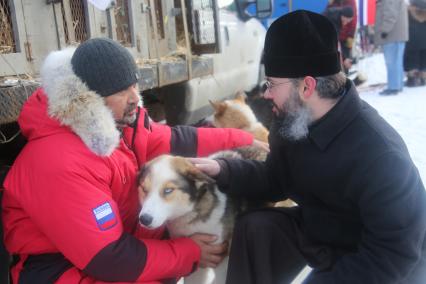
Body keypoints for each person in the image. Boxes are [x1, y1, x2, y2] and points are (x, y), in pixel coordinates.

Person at [1, 38, 266, 283]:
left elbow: (173, 139)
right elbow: (108, 258)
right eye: (121, 91)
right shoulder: (58, 162)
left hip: (110, 252)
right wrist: (189, 252)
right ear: (90, 100)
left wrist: (240, 139)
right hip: (64, 272)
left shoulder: (121, 125)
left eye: (134, 84)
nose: (134, 98)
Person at [190, 10, 426, 284]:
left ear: (307, 87)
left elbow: (393, 254)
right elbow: (275, 179)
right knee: (256, 228)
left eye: (272, 84)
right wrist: (224, 170)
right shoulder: (292, 121)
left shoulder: (380, 155)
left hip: (387, 260)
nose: (265, 93)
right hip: (326, 229)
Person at [374, 0, 409, 95]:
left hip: (392, 35)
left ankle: (393, 87)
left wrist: (385, 30)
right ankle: (398, 85)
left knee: (392, 62)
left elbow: (390, 14)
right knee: (397, 62)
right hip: (396, 34)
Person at [404, 0, 426, 87]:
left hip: (412, 37)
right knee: (424, 59)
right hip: (424, 38)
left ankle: (412, 80)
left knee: (411, 60)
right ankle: (423, 78)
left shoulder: (408, 9)